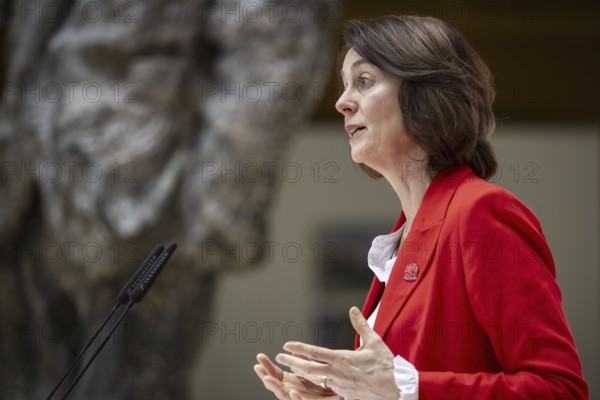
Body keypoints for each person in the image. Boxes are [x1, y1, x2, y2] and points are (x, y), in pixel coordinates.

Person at [253, 15, 588, 399]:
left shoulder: (481, 212)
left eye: (363, 81)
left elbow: (559, 390)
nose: (341, 102)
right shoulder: (402, 242)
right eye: (346, 86)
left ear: (425, 94)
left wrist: (406, 388)